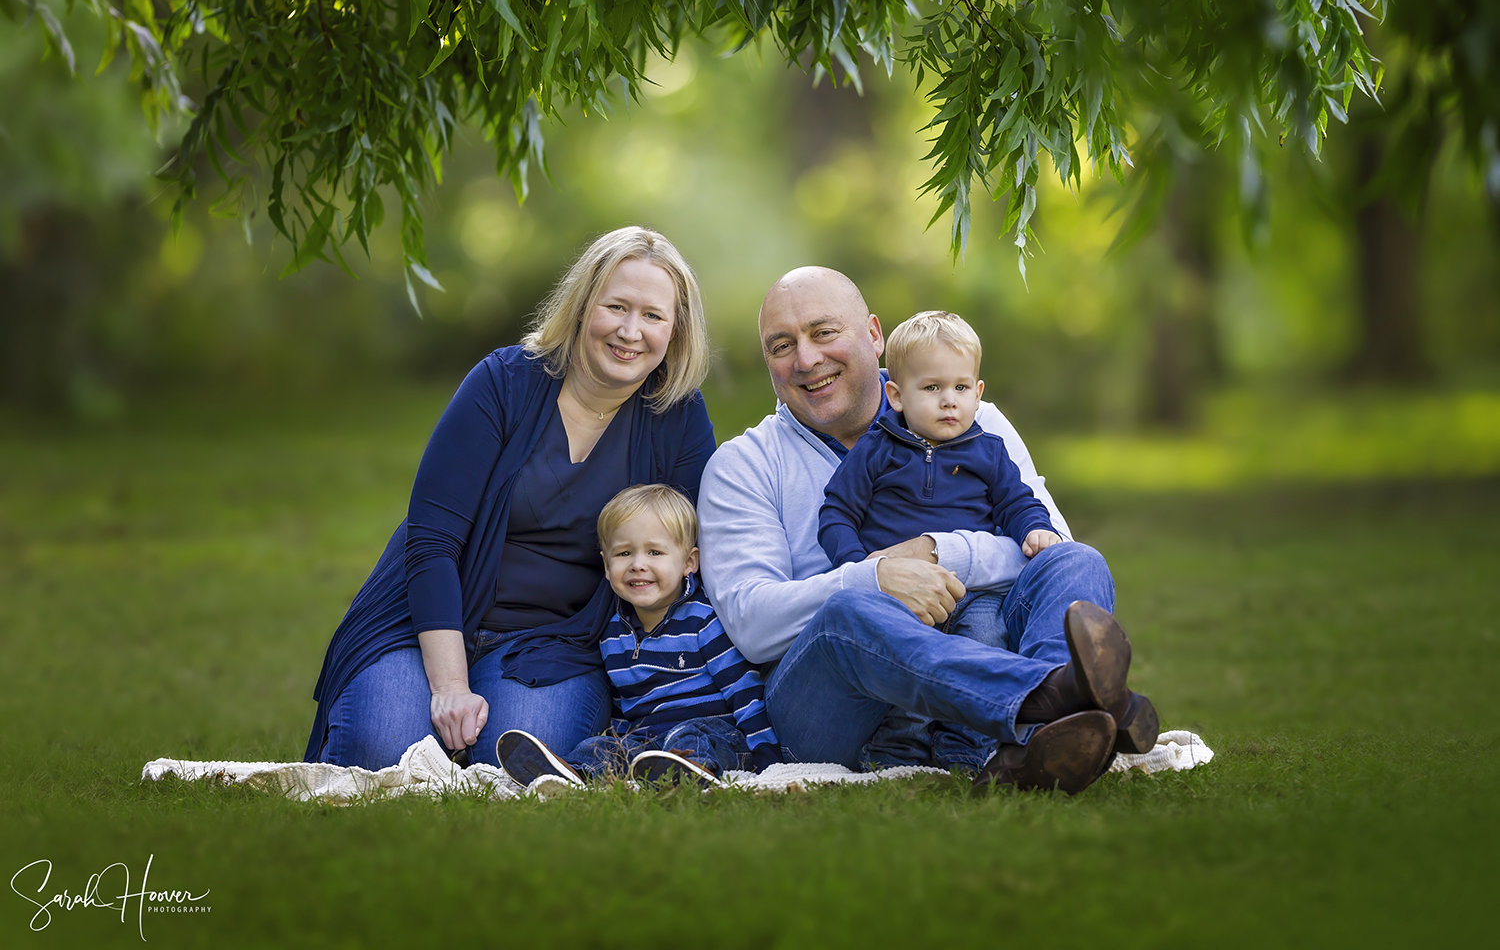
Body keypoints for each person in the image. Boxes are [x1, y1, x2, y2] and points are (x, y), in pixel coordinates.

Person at [698, 267, 1158, 795]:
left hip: (974, 629)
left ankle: (1047, 740)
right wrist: (874, 578)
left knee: (1078, 562)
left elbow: (1047, 544)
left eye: (824, 332)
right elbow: (752, 623)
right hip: (832, 712)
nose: (805, 359)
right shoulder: (743, 465)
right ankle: (1052, 701)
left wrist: (938, 553)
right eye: (782, 346)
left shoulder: (971, 419)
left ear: (875, 336)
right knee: (851, 612)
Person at [304, 227, 716, 770]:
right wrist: (449, 685)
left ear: (675, 330)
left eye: (653, 316)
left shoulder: (678, 418)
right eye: (615, 306)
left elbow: (689, 561)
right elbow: (431, 542)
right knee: (381, 750)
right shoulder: (504, 382)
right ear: (582, 305)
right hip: (425, 619)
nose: (630, 331)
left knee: (512, 762)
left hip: (556, 646)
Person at [815, 309, 1065, 771]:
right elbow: (836, 514)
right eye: (931, 388)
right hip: (902, 591)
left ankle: (966, 747)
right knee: (906, 659)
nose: (949, 401)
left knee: (985, 643)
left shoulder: (988, 450)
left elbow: (1017, 501)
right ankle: (899, 749)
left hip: (976, 594)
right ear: (896, 395)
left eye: (961, 388)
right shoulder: (877, 449)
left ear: (978, 392)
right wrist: (862, 568)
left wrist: (1035, 530)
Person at [496, 484, 779, 794]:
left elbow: (745, 693)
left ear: (689, 562)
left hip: (718, 738)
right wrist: (617, 745)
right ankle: (572, 774)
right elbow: (625, 708)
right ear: (606, 566)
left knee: (689, 735)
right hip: (651, 742)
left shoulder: (704, 621)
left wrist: (766, 756)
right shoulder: (613, 636)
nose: (637, 564)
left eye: (654, 552)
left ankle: (692, 773)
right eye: (624, 553)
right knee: (601, 745)